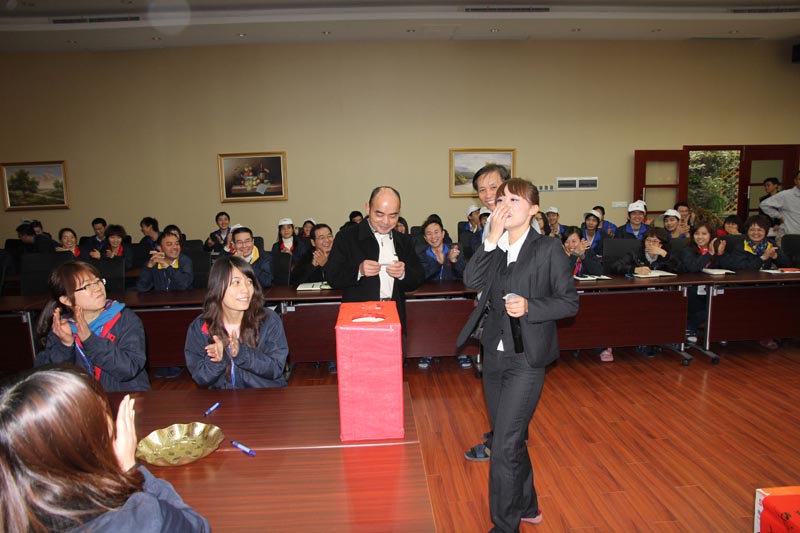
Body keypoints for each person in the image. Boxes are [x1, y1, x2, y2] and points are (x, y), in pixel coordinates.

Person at [456, 178, 579, 531]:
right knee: (511, 439)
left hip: (527, 359)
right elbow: (471, 280)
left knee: (504, 444)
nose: (505, 205)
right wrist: (491, 239)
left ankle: (505, 524)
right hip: (494, 355)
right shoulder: (494, 246)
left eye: (515, 199)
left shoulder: (548, 248)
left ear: (534, 209)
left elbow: (569, 302)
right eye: (501, 200)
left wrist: (530, 306)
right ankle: (528, 505)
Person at [0, 365, 209, 532]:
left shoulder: (12, 511)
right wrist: (132, 471)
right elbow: (196, 527)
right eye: (102, 414)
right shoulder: (139, 518)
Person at [325, 186, 425, 349]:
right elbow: (332, 276)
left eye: (393, 216)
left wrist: (403, 274)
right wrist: (358, 271)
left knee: (393, 363)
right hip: (358, 319)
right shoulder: (347, 237)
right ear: (368, 208)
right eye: (379, 214)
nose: (386, 221)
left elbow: (418, 277)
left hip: (394, 316)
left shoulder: (403, 240)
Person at [34, 261, 150, 392]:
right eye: (86, 286)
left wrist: (89, 339)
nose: (97, 288)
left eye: (97, 281)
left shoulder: (125, 319)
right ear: (66, 300)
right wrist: (65, 345)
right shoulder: (62, 329)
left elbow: (129, 369)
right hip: (83, 398)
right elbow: (52, 378)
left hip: (125, 396)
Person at [184, 256, 289, 388]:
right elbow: (200, 377)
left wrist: (241, 354)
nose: (246, 289)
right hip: (223, 398)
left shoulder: (268, 320)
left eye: (249, 282)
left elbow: (276, 367)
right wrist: (217, 361)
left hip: (264, 396)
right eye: (236, 282)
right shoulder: (200, 327)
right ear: (218, 287)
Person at [417, 218, 468, 370]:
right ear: (425, 238)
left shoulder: (455, 250)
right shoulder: (421, 254)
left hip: (453, 296)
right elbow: (422, 276)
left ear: (443, 233)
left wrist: (454, 261)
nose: (433, 236)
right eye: (429, 234)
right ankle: (427, 352)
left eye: (436, 232)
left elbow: (465, 274)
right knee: (424, 315)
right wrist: (438, 263)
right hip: (429, 297)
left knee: (462, 310)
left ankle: (462, 352)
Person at [679, 222, 725, 343]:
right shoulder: (687, 250)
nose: (700, 237)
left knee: (725, 297)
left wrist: (720, 255)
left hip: (713, 285)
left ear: (711, 235)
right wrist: (709, 254)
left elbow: (729, 267)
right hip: (692, 287)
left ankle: (718, 330)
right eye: (697, 233)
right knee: (697, 300)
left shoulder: (718, 247)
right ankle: (691, 327)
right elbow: (693, 267)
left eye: (704, 234)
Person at [760, 171, 800, 242]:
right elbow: (764, 205)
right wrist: (779, 216)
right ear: (795, 181)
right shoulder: (786, 195)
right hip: (790, 235)